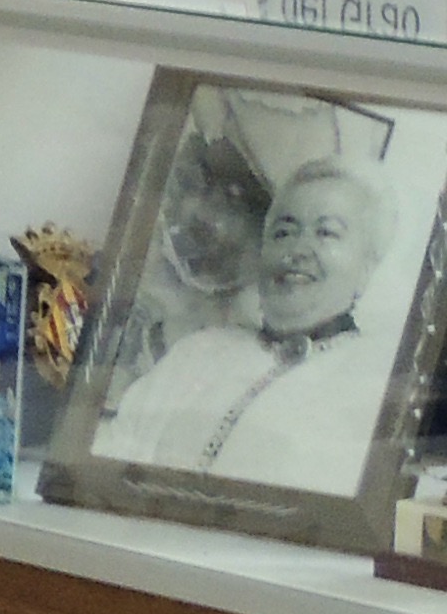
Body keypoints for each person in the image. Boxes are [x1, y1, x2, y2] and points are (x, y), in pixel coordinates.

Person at [96, 147, 401, 482]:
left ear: (368, 266)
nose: (297, 250)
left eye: (326, 232)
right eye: (284, 232)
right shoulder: (197, 352)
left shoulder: (374, 387)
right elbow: (114, 456)